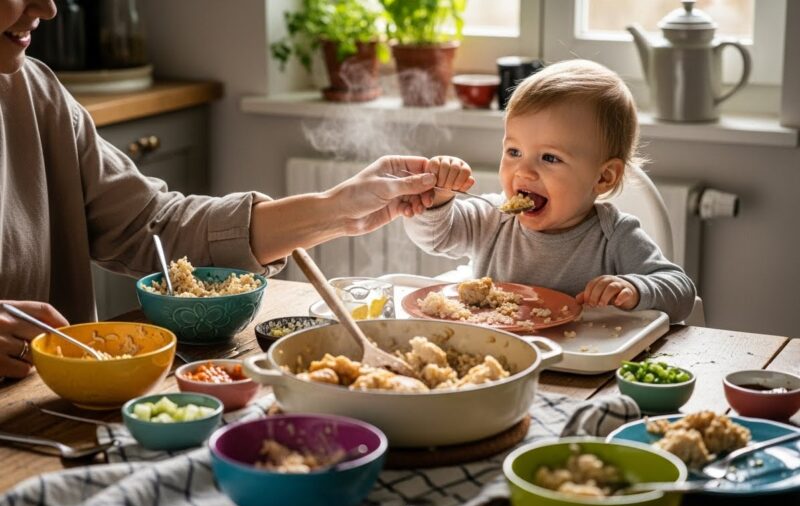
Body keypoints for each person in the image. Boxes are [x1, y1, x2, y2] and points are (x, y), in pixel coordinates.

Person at [0, 0, 438, 379]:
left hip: (49, 408)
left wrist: (339, 209)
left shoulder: (36, 96)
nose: (49, 8)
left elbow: (154, 224)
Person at [404, 59, 696, 323]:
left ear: (604, 177)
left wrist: (636, 288)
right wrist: (438, 198)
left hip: (582, 363)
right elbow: (435, 238)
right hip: (500, 357)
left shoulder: (614, 236)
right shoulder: (493, 219)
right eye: (514, 151)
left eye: (550, 158)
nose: (524, 171)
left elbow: (681, 291)